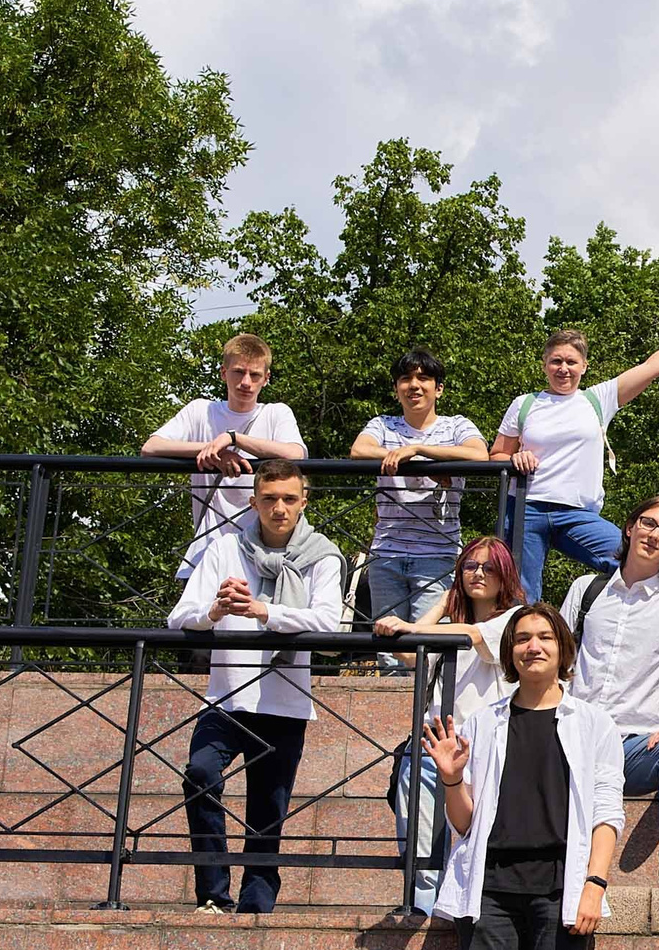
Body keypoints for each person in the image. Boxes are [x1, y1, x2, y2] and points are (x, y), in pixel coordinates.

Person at [420, 604, 623, 950]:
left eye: (545, 637)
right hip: (490, 888)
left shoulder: (594, 723)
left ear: (563, 650)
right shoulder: (485, 721)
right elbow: (464, 823)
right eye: (523, 638)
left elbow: (606, 813)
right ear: (510, 652)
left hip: (562, 887)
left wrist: (594, 886)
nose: (533, 646)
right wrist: (450, 778)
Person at [169, 459, 344, 914]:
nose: (279, 508)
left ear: (303, 502)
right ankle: (212, 893)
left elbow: (328, 624)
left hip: (284, 702)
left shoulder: (323, 555)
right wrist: (215, 610)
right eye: (269, 499)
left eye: (289, 499)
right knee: (201, 774)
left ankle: (256, 906)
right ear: (253, 502)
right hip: (226, 697)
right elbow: (178, 616)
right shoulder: (224, 547)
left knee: (268, 810)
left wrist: (263, 612)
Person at [491, 302, 659, 600]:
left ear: (584, 366)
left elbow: (651, 367)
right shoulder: (525, 404)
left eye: (571, 362)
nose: (563, 369)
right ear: (544, 365)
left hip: (577, 513)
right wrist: (514, 458)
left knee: (636, 559)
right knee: (519, 594)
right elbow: (497, 454)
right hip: (527, 507)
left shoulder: (596, 400)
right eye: (555, 361)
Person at [560, 496, 659, 890]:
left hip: (634, 748)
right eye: (648, 524)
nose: (654, 535)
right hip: (572, 739)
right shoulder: (586, 590)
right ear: (630, 527)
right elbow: (557, 661)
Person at [373, 535, 524, 906]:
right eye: (470, 566)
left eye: (489, 567)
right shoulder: (443, 625)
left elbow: (472, 636)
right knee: (421, 835)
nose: (478, 573)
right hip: (431, 743)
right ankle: (424, 906)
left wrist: (414, 628)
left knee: (480, 837)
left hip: (484, 746)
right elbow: (408, 655)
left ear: (505, 575)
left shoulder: (515, 619)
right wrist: (441, 604)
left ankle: (474, 904)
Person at [142, 332, 309, 578]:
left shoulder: (276, 413)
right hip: (206, 552)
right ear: (223, 373)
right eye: (239, 372)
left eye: (254, 375)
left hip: (264, 555)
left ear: (266, 379)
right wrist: (212, 452)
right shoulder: (201, 410)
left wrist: (233, 438)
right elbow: (151, 447)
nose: (246, 382)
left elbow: (296, 454)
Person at [350, 349, 487, 639]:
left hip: (439, 555)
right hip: (386, 553)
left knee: (430, 643)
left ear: (439, 389)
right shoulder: (383, 424)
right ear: (396, 389)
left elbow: (479, 455)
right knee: (389, 646)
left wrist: (419, 450)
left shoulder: (456, 425)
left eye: (424, 378)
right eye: (405, 379)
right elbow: (359, 450)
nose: (414, 385)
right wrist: (413, 461)